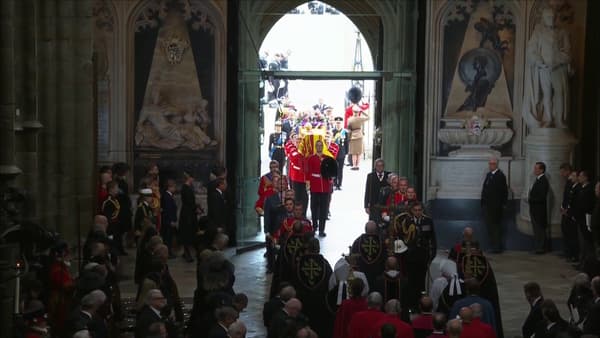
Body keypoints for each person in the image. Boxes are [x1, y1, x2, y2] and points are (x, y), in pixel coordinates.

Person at [522, 8, 572, 129]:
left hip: (558, 68)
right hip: (543, 68)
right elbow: (531, 50)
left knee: (560, 93)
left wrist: (559, 60)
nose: (552, 19)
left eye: (554, 17)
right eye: (549, 17)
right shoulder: (538, 32)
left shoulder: (562, 32)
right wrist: (539, 62)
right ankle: (549, 119)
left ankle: (559, 120)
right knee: (547, 94)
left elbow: (568, 51)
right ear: (544, 18)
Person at [305, 140, 334, 236]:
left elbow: (331, 172)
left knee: (323, 209)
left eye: (321, 145)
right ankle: (314, 227)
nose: (319, 147)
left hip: (325, 186)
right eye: (317, 145)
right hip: (315, 185)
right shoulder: (311, 158)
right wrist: (308, 184)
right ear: (315, 147)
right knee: (314, 207)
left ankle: (322, 229)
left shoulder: (327, 158)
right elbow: (308, 172)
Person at [481, 157, 508, 253]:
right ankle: (492, 246)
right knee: (490, 227)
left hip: (495, 207)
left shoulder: (500, 176)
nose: (490, 165)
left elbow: (504, 191)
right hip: (487, 206)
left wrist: (503, 204)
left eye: (492, 164)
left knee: (495, 227)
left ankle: (496, 248)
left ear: (496, 165)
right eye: (489, 164)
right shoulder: (489, 175)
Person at [264, 175, 286, 273]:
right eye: (279, 183)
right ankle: (271, 266)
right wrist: (267, 230)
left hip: (287, 228)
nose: (281, 185)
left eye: (283, 183)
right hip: (274, 227)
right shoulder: (270, 198)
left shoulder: (291, 195)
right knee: (271, 248)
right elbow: (267, 214)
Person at [574, 170, 596, 266]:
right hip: (579, 218)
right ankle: (582, 262)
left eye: (581, 176)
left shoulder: (589, 189)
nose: (578, 178)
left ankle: (587, 264)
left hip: (585, 219)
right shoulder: (580, 188)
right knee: (581, 242)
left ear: (586, 177)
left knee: (586, 242)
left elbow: (587, 205)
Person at [528, 162, 550, 254]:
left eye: (537, 168)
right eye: (535, 168)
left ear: (541, 170)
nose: (534, 170)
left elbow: (541, 197)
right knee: (537, 230)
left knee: (539, 230)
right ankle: (538, 247)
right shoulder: (538, 179)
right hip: (535, 210)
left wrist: (530, 199)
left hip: (539, 211)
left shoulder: (543, 181)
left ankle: (540, 248)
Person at [559, 163, 579, 262]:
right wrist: (562, 207)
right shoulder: (568, 182)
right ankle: (567, 252)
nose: (561, 174)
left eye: (562, 171)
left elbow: (572, 199)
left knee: (572, 235)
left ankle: (573, 255)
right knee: (565, 232)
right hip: (565, 211)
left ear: (567, 171)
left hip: (571, 213)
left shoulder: (573, 184)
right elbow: (565, 197)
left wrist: (567, 210)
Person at [285, 133, 308, 216]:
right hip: (296, 177)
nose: (299, 143)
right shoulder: (293, 151)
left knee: (305, 197)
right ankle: (296, 214)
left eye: (300, 142)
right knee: (297, 197)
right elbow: (295, 159)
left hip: (304, 178)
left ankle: (303, 213)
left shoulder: (305, 152)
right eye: (297, 141)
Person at [112, 162, 132, 253]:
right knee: (119, 230)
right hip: (121, 208)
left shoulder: (122, 182)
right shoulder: (117, 182)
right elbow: (121, 195)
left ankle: (120, 247)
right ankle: (118, 247)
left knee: (122, 230)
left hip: (124, 208)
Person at [179, 172, 198, 262]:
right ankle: (187, 253)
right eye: (192, 178)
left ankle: (187, 252)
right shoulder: (186, 188)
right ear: (189, 178)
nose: (193, 180)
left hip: (189, 213)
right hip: (187, 214)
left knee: (190, 233)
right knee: (187, 233)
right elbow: (189, 202)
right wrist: (195, 208)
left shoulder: (187, 188)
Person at [101, 181, 121, 255]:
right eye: (116, 188)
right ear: (111, 189)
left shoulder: (114, 199)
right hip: (110, 227)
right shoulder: (109, 201)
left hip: (115, 225)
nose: (117, 189)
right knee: (111, 244)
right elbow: (107, 217)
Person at [161, 179, 178, 260]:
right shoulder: (166, 196)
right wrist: (171, 221)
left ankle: (169, 252)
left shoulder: (169, 196)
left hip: (170, 221)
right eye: (174, 187)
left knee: (170, 238)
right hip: (168, 222)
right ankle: (167, 253)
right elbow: (167, 210)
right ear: (169, 187)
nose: (175, 188)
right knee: (167, 239)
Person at [332, 116, 349, 190]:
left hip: (341, 153)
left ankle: (339, 184)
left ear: (341, 123)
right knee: (334, 168)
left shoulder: (344, 132)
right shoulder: (332, 132)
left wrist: (346, 152)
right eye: (337, 123)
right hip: (334, 153)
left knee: (340, 169)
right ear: (335, 123)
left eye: (339, 123)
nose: (338, 124)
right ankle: (334, 183)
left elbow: (346, 143)